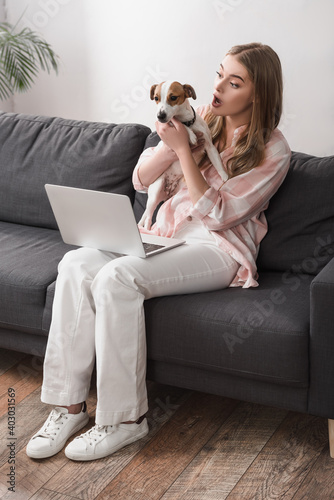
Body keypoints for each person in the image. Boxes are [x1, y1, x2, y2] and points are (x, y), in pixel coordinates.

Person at [26, 42, 291, 461]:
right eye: (219, 73)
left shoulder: (273, 150)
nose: (218, 87)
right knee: (75, 262)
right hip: (164, 235)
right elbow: (139, 177)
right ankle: (68, 407)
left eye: (234, 82)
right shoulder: (195, 114)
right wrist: (171, 143)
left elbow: (221, 214)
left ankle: (124, 420)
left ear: (258, 93)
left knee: (118, 277)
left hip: (217, 248)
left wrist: (186, 151)